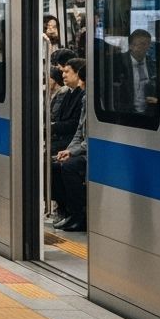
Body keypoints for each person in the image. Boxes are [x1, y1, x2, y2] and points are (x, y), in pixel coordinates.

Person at [52, 58, 89, 232]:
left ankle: (79, 215)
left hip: (90, 151)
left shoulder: (87, 98)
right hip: (81, 147)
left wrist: (73, 152)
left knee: (69, 167)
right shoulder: (81, 98)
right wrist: (69, 150)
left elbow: (88, 138)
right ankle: (67, 210)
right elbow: (80, 132)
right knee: (55, 165)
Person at [114, 29, 158, 117]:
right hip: (126, 114)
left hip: (149, 113)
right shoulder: (119, 62)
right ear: (130, 46)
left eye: (148, 44)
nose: (146, 47)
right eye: (142, 44)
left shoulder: (152, 64)